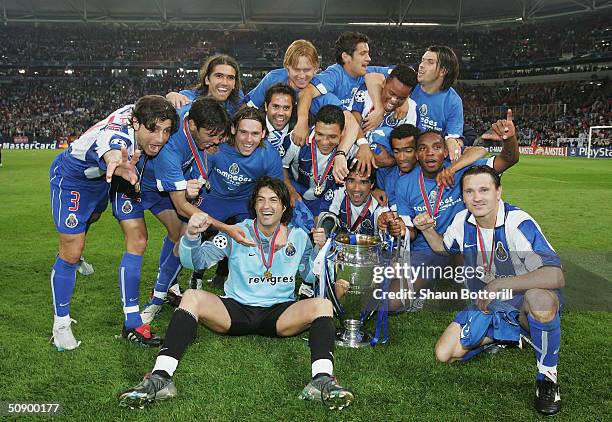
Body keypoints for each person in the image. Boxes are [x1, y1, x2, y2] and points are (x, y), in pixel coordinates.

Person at [119, 177, 354, 410]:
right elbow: (196, 261)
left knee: (322, 305)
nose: (266, 206)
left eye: (273, 200)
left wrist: (318, 250)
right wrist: (191, 235)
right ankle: (161, 378)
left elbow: (312, 277)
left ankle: (321, 380)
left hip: (280, 314)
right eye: (260, 199)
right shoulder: (236, 232)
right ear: (253, 205)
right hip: (235, 310)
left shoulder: (298, 237)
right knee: (191, 296)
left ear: (284, 206)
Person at [413, 165, 564, 416]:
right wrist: (427, 229)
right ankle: (505, 337)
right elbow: (444, 248)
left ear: (498, 192)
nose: (477, 197)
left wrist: (498, 284)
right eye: (469, 191)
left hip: (522, 303)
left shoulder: (518, 223)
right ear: (463, 196)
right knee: (444, 354)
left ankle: (547, 379)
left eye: (484, 189)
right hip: (488, 305)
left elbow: (555, 275)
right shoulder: (462, 221)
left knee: (540, 301)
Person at [49, 95, 179, 351]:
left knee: (115, 227)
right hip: (74, 179)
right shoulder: (118, 136)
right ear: (136, 123)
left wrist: (177, 95)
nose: (160, 138)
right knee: (71, 252)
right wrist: (115, 163)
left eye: (166, 131)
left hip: (109, 179)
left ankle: (130, 318)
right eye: (153, 129)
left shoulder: (143, 110)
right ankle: (61, 324)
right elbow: (111, 147)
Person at [282, 105, 349, 216]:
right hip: (296, 196)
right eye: (319, 134)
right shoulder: (297, 139)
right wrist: (290, 190)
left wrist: (374, 191)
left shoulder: (350, 149)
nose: (324, 142)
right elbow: (280, 167)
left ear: (342, 133)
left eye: (332, 136)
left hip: (327, 201)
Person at [410, 45, 463, 160]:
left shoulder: (453, 101)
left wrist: (452, 141)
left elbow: (453, 139)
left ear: (443, 71)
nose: (421, 65)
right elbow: (372, 73)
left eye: (430, 62)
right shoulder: (408, 82)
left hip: (427, 156)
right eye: (422, 61)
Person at [166, 54, 245, 117]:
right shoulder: (187, 98)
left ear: (234, 83)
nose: (225, 82)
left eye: (230, 78)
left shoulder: (238, 100)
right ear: (207, 79)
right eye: (219, 76)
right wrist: (170, 97)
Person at [325, 161, 388, 235]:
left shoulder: (380, 207)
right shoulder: (339, 193)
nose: (356, 189)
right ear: (345, 182)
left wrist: (386, 225)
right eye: (351, 181)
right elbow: (327, 216)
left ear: (372, 184)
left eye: (363, 182)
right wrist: (324, 232)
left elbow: (387, 236)